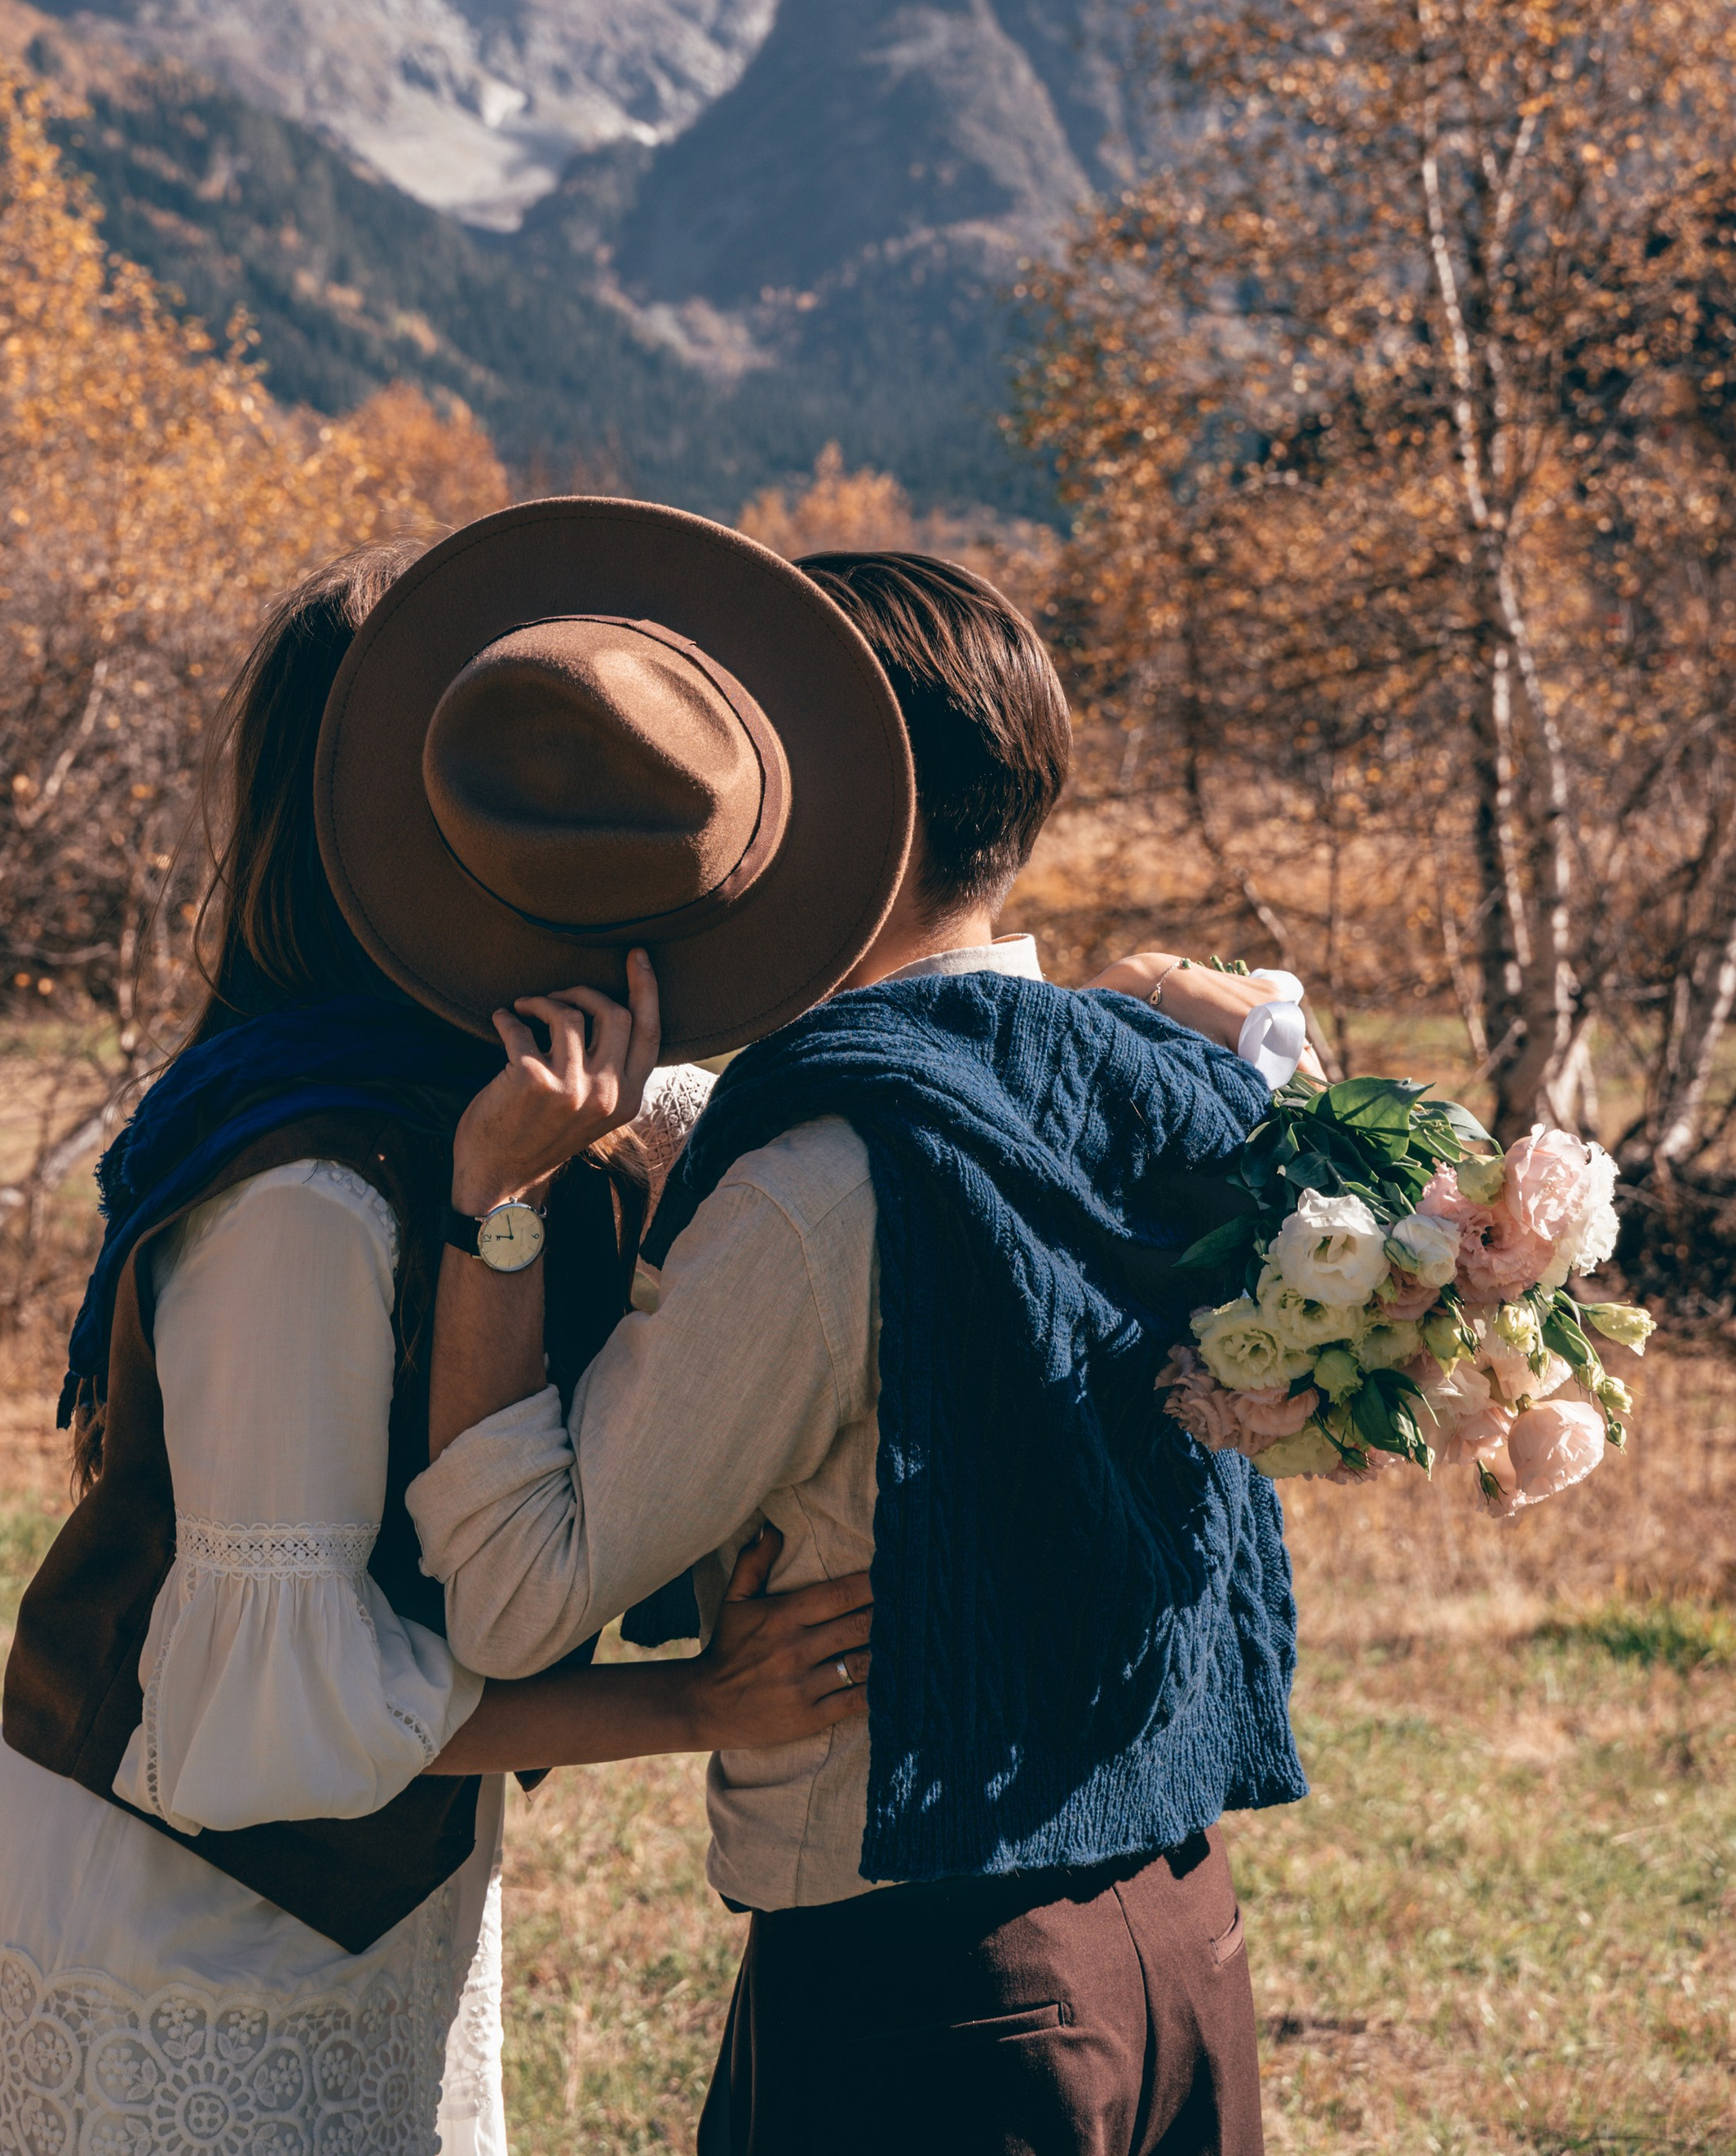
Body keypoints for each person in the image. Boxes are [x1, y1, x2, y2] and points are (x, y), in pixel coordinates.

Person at [0, 531, 883, 2156]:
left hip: (381, 1885)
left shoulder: (487, 1095)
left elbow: (798, 1117)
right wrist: (694, 1706)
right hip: (192, 1906)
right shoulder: (305, 1202)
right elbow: (266, 1725)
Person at [409, 547, 1310, 2156]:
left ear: (824, 820)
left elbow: (515, 1589)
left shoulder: (823, 1178)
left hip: (934, 1996)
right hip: (1179, 1941)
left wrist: (496, 1202)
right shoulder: (1176, 1094)